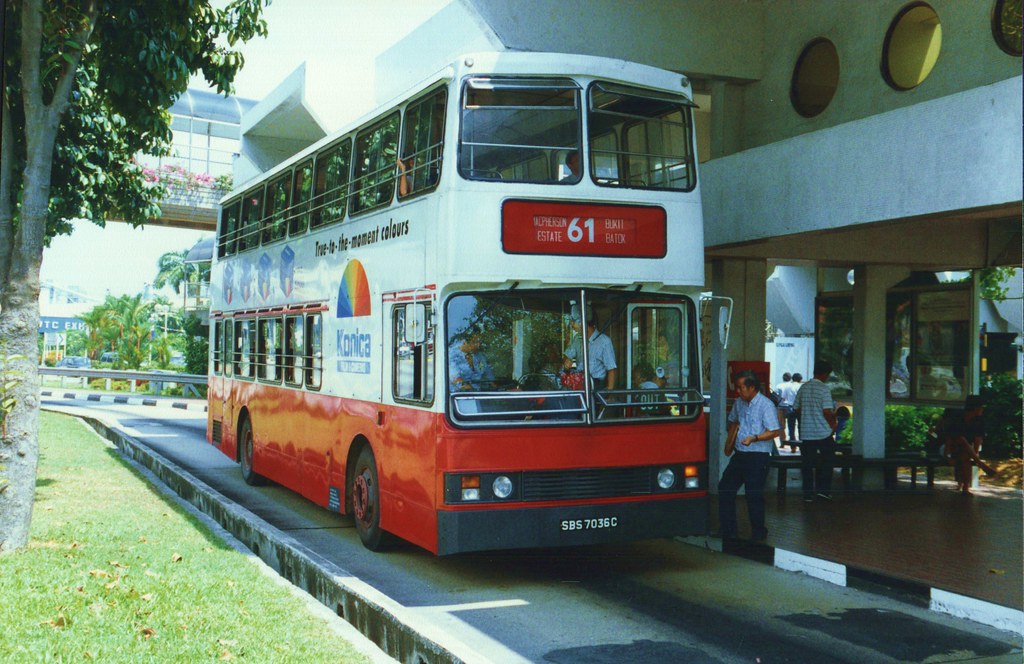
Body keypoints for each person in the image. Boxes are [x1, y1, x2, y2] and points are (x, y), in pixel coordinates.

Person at [718, 370, 782, 542]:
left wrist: (755, 438)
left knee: (753, 494)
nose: (738, 391)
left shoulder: (765, 405)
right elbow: (732, 421)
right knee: (725, 488)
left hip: (758, 456)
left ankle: (759, 531)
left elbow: (775, 431)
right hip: (740, 455)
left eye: (741, 387)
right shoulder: (739, 403)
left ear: (752, 387)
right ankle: (729, 530)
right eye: (737, 387)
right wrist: (732, 438)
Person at [793, 361, 837, 502]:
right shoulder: (824, 389)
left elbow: (796, 408)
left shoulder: (803, 388)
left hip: (807, 432)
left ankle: (808, 494)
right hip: (823, 432)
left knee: (807, 464)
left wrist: (807, 416)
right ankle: (823, 491)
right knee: (826, 462)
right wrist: (833, 425)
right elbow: (827, 411)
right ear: (824, 374)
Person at [944, 395, 997, 495]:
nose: (982, 410)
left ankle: (965, 487)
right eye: (981, 407)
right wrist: (947, 454)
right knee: (961, 439)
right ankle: (981, 465)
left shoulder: (979, 421)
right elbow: (949, 438)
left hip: (966, 450)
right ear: (975, 408)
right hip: (950, 447)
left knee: (965, 456)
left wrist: (975, 454)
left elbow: (978, 439)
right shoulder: (957, 417)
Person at [563, 309, 617, 390]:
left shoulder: (604, 342)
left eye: (573, 321)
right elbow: (567, 356)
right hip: (580, 385)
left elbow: (611, 369)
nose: (572, 324)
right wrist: (567, 361)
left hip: (596, 388)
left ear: (582, 322)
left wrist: (608, 393)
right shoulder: (577, 339)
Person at [449, 326, 493, 391]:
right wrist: (469, 389)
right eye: (475, 342)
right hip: (459, 396)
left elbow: (488, 375)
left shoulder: (479, 356)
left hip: (480, 395)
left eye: (480, 342)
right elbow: (456, 379)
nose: (478, 345)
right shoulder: (450, 356)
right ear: (464, 341)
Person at [775, 372, 797, 447]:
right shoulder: (793, 386)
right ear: (790, 378)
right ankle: (793, 446)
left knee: (781, 426)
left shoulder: (779, 385)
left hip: (781, 407)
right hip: (791, 407)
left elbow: (776, 396)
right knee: (792, 427)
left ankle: (782, 443)